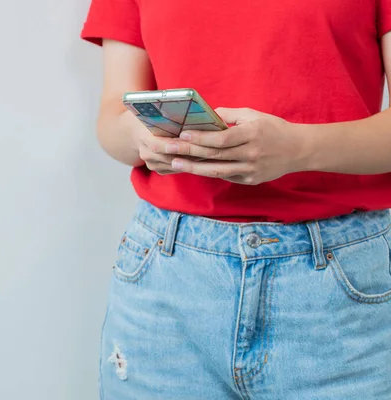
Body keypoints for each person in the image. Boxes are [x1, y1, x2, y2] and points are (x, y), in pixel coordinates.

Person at [80, 1, 391, 399]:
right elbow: (113, 119)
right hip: (167, 282)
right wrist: (141, 138)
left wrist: (299, 149)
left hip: (334, 293)